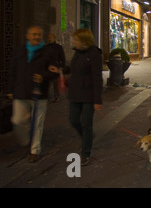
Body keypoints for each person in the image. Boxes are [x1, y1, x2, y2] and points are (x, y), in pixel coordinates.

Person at [7, 26, 60, 163]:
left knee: (37, 124)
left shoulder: (48, 52)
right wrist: (9, 89)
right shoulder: (19, 51)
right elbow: (12, 71)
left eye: (39, 34)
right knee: (17, 120)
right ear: (27, 36)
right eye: (34, 34)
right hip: (20, 92)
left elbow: (55, 72)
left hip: (39, 93)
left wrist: (43, 76)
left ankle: (34, 150)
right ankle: (26, 142)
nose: (37, 36)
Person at [66, 29, 103, 166]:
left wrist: (97, 100)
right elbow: (74, 71)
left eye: (76, 40)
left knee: (86, 124)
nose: (74, 42)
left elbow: (97, 78)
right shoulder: (77, 53)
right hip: (75, 93)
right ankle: (87, 138)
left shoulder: (94, 54)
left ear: (84, 41)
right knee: (73, 120)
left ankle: (85, 153)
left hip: (88, 95)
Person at [46, 33, 66, 102]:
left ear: (54, 38)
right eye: (48, 37)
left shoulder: (58, 47)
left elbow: (62, 57)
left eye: (51, 37)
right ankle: (47, 97)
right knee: (47, 83)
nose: (49, 39)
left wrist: (61, 66)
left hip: (55, 67)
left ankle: (56, 96)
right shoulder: (46, 47)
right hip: (47, 68)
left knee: (55, 83)